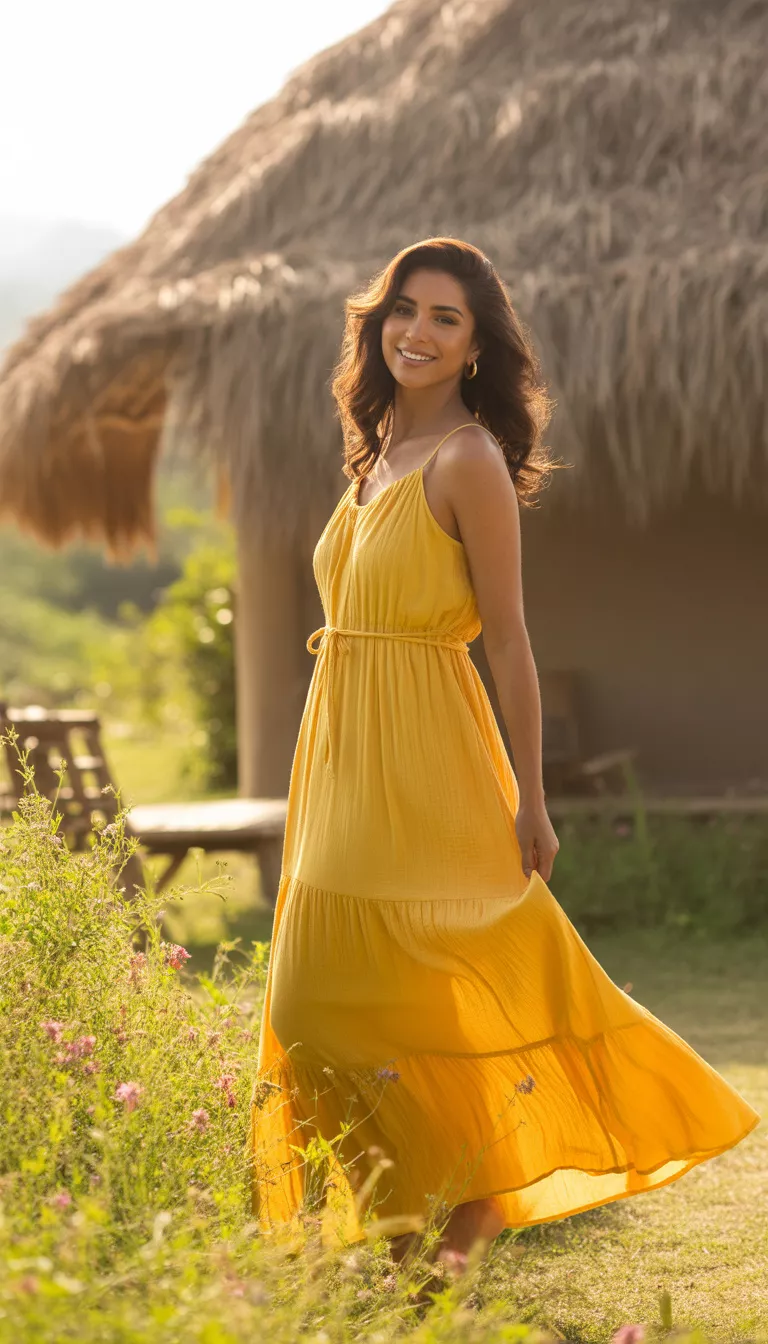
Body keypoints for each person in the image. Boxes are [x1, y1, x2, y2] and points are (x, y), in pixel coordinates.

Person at [250, 237, 759, 1272]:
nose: (418, 332)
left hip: (432, 753)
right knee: (317, 1003)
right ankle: (417, 1242)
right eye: (405, 309)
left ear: (478, 348)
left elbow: (512, 639)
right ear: (377, 322)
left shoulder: (468, 459)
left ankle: (458, 1237)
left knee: (428, 983)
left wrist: (533, 798)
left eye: (447, 318)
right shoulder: (370, 457)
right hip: (342, 751)